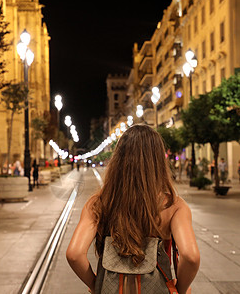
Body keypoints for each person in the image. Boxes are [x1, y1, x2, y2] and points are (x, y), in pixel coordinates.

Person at [66, 125, 200, 294]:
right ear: (158, 160)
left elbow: (74, 254)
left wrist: (95, 284)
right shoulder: (173, 206)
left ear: (118, 159)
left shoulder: (98, 203)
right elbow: (191, 257)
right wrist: (180, 288)